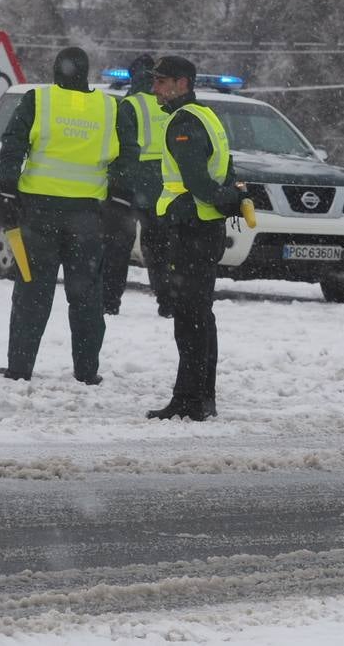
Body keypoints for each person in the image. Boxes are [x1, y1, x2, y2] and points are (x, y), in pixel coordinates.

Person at [0, 46, 119, 385]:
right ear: (86, 73)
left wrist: (7, 189)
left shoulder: (39, 101)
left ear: (56, 71)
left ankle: (19, 368)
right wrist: (120, 203)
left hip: (39, 214)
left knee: (32, 292)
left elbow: (13, 144)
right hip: (88, 216)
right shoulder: (109, 108)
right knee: (87, 295)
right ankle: (87, 371)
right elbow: (125, 158)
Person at [145, 55, 246, 422]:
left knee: (189, 319)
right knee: (201, 315)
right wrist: (233, 196)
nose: (155, 88)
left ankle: (188, 399)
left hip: (191, 230)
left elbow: (198, 183)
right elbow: (227, 168)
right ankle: (203, 397)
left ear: (181, 83)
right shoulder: (208, 116)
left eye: (161, 81)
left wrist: (227, 198)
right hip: (207, 229)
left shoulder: (183, 122)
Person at [101, 53, 172, 317]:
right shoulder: (168, 102)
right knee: (160, 249)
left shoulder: (129, 105)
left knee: (117, 250)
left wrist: (115, 182)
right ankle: (167, 302)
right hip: (163, 186)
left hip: (129, 187)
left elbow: (118, 147)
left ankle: (109, 302)